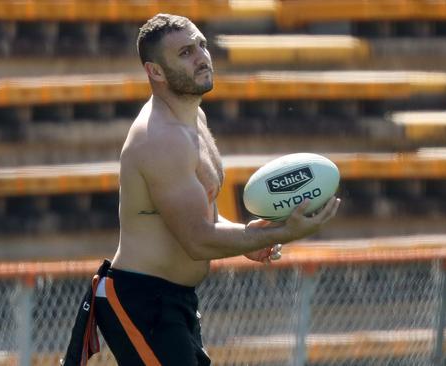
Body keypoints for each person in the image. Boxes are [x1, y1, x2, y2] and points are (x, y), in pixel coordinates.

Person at [63, 13, 341, 366]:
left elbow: (201, 215)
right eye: (184, 53)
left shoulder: (194, 119)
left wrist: (249, 234)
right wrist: (287, 231)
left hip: (174, 300)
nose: (201, 57)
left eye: (202, 46)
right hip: (140, 301)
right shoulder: (159, 138)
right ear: (156, 71)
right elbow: (196, 240)